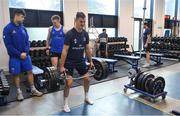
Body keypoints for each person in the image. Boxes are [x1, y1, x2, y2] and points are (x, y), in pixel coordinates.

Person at [3, 9, 43, 101]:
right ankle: (19, 93)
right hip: (15, 57)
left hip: (25, 55)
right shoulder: (7, 28)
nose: (23, 19)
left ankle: (33, 89)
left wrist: (25, 52)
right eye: (22, 17)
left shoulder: (23, 28)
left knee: (29, 71)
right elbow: (8, 45)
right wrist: (19, 54)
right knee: (16, 74)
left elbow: (27, 42)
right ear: (16, 15)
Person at [60, 12, 94, 112]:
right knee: (69, 82)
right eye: (80, 21)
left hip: (80, 61)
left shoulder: (85, 34)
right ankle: (65, 104)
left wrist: (91, 61)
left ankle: (86, 97)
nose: (82, 24)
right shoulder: (69, 34)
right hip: (69, 62)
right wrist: (61, 66)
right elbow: (64, 51)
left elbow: (87, 49)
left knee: (87, 79)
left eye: (84, 22)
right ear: (75, 20)